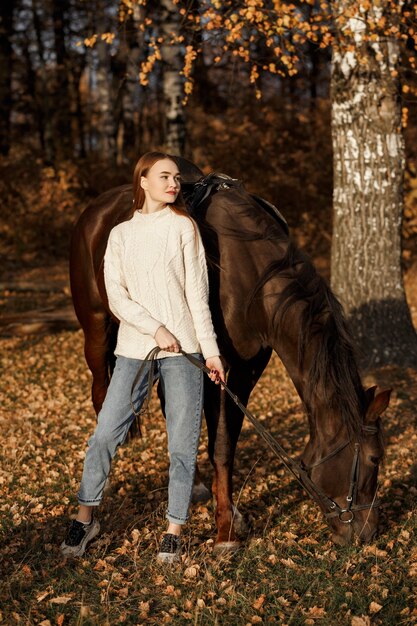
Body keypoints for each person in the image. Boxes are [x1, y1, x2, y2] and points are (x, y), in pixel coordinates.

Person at [61, 151, 225, 563]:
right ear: (143, 183)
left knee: (182, 446)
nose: (174, 183)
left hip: (184, 352)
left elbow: (197, 298)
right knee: (103, 436)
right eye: (165, 176)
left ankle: (174, 528)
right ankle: (85, 517)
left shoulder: (184, 229)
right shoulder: (119, 236)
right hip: (135, 351)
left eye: (175, 177)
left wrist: (212, 354)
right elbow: (117, 297)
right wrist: (156, 328)